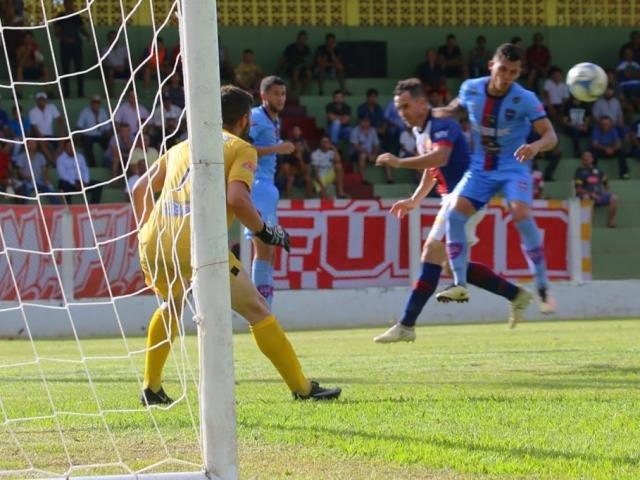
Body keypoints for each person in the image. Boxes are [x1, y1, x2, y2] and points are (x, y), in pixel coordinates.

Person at [132, 85, 340, 405]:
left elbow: (140, 189)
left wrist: (145, 227)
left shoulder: (180, 147)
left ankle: (151, 387)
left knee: (171, 306)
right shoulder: (241, 148)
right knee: (256, 307)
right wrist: (266, 231)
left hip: (153, 240)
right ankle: (302, 387)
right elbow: (237, 199)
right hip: (198, 244)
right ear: (244, 119)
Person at [373, 78, 533, 342]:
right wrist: (415, 199)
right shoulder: (420, 130)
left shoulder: (442, 124)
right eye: (398, 108)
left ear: (423, 103)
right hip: (453, 197)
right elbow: (432, 168)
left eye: (405, 106)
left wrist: (399, 162)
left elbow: (441, 157)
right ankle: (516, 295)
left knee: (432, 251)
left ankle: (406, 325)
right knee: (448, 264)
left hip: (468, 196)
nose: (401, 113)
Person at [434, 43, 558, 314]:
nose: (506, 76)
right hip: (480, 168)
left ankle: (542, 286)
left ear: (519, 72)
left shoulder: (525, 98)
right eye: (503, 69)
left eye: (513, 72)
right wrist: (439, 112)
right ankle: (459, 284)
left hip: (513, 166)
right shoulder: (471, 88)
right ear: (492, 66)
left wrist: (535, 146)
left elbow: (550, 136)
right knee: (455, 216)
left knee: (521, 215)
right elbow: (456, 107)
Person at [247, 76, 295, 307]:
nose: (281, 98)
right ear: (264, 96)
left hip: (267, 187)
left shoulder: (274, 120)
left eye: (283, 94)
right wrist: (277, 148)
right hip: (257, 186)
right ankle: (261, 309)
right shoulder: (255, 117)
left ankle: (266, 306)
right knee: (263, 246)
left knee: (269, 250)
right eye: (276, 94)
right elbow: (243, 148)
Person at [54, 0, 89, 98]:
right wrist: (66, 39)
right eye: (68, 3)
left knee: (79, 69)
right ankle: (66, 94)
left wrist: (87, 36)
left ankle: (80, 93)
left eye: (71, 3)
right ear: (65, 5)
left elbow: (82, 28)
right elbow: (56, 32)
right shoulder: (60, 16)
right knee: (65, 70)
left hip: (77, 46)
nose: (70, 5)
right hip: (65, 46)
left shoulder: (76, 16)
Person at [574, 151, 618, 228]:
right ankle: (586, 223)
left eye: (588, 157)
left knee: (614, 198)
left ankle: (611, 222)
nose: (587, 158)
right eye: (585, 157)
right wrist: (591, 194)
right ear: (582, 160)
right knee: (586, 197)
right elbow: (578, 189)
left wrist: (606, 192)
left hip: (599, 196)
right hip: (586, 196)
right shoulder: (579, 172)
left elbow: (606, 183)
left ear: (592, 159)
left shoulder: (598, 171)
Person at [14, 137, 60, 203]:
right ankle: (23, 211)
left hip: (39, 181)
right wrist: (26, 178)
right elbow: (19, 171)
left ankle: (56, 210)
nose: (34, 144)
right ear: (27, 145)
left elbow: (44, 171)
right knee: (24, 194)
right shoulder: (21, 156)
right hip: (27, 182)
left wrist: (46, 180)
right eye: (31, 143)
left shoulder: (41, 156)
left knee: (51, 192)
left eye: (35, 143)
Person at [56, 138, 102, 204]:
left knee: (98, 184)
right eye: (69, 147)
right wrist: (74, 184)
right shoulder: (60, 159)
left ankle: (93, 207)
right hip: (69, 183)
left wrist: (85, 182)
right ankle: (69, 207)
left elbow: (85, 170)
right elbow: (63, 175)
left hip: (81, 182)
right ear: (65, 148)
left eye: (72, 146)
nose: (71, 148)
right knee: (63, 184)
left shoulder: (80, 157)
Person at [28, 92, 65, 164]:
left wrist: (62, 133)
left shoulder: (51, 107)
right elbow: (35, 129)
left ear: (46, 100)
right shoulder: (32, 111)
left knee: (64, 140)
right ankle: (53, 161)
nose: (42, 101)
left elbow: (60, 120)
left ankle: (55, 159)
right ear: (37, 101)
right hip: (38, 136)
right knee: (42, 143)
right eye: (40, 100)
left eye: (43, 99)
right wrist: (43, 139)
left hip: (50, 136)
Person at [350, 115, 388, 183]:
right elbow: (355, 146)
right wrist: (368, 154)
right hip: (357, 153)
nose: (365, 123)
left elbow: (376, 144)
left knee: (385, 156)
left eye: (367, 121)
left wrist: (374, 154)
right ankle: (363, 179)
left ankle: (390, 179)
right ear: (360, 122)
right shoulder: (355, 130)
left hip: (371, 153)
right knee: (362, 156)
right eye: (363, 121)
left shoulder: (372, 130)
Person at [76, 94, 111, 167]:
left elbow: (107, 128)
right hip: (87, 135)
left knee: (109, 146)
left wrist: (109, 138)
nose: (96, 104)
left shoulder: (103, 111)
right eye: (94, 102)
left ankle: (106, 164)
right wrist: (78, 139)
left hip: (100, 135)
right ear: (91, 103)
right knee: (87, 145)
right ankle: (93, 166)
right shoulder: (85, 111)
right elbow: (79, 127)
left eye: (98, 103)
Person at [590, 115, 629, 180]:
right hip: (600, 151)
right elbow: (594, 144)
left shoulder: (613, 130)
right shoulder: (596, 130)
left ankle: (624, 173)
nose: (605, 126)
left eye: (607, 124)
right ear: (600, 124)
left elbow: (618, 144)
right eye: (603, 124)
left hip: (612, 150)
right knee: (592, 153)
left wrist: (612, 149)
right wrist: (606, 149)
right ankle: (594, 174)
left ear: (611, 124)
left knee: (621, 151)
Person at [280, 30, 312, 95]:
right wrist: (281, 67)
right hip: (291, 68)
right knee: (296, 71)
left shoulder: (306, 48)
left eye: (305, 39)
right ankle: (293, 90)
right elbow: (283, 59)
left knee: (308, 73)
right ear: (298, 39)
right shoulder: (291, 47)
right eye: (302, 38)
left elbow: (307, 60)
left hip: (302, 68)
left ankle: (303, 91)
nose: (303, 40)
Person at [101, 30, 129, 95]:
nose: (113, 40)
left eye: (115, 38)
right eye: (111, 38)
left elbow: (127, 60)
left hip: (123, 68)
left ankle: (130, 93)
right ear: (108, 39)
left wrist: (124, 66)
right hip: (112, 69)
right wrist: (114, 67)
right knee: (110, 72)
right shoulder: (104, 49)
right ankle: (110, 95)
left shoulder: (123, 48)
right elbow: (104, 62)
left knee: (133, 71)